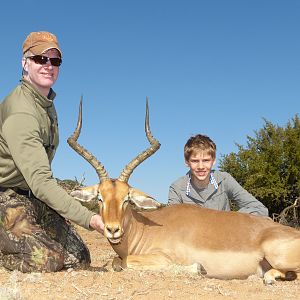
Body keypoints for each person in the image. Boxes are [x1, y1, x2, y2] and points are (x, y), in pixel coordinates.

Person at [0, 31, 104, 273]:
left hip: (30, 197)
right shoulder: (22, 112)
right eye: (40, 59)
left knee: (79, 257)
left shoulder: (45, 103)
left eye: (55, 61)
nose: (48, 66)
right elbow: (41, 181)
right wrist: (90, 219)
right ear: (25, 63)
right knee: (47, 260)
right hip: (6, 196)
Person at [168, 134, 269, 216]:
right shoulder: (176, 188)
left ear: (214, 161)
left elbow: (260, 209)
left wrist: (224, 221)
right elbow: (171, 220)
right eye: (195, 161)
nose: (201, 166)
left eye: (206, 160)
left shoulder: (224, 179)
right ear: (187, 162)